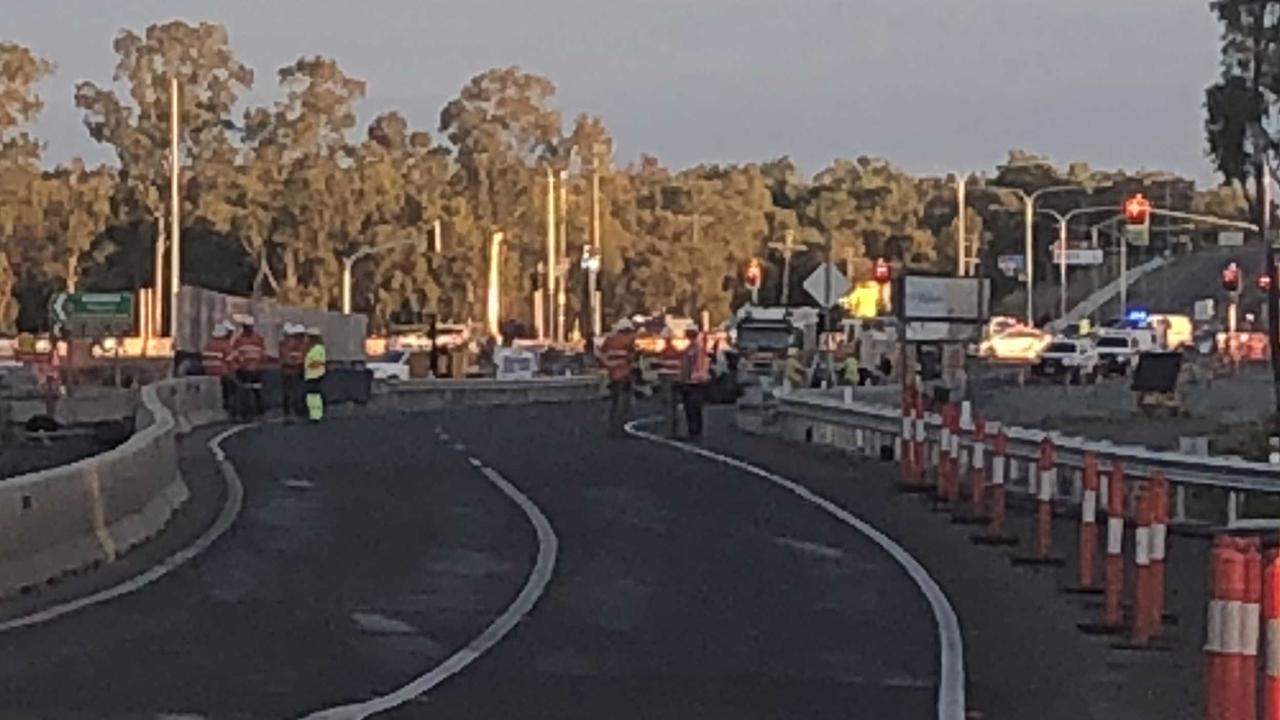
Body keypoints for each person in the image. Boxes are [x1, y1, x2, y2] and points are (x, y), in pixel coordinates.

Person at [597, 318, 637, 437]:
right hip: (624, 373)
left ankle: (612, 427)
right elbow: (632, 357)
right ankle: (621, 427)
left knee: (614, 402)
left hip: (612, 374)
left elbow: (600, 354)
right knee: (623, 402)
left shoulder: (609, 340)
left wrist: (607, 366)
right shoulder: (629, 340)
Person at [229, 314, 266, 420]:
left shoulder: (257, 339)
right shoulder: (239, 340)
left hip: (255, 370)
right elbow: (235, 355)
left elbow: (262, 354)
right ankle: (247, 413)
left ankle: (258, 412)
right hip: (245, 370)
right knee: (246, 392)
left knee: (256, 392)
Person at [678, 326, 712, 439]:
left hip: (695, 382)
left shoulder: (697, 349)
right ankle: (693, 430)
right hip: (691, 381)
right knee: (690, 407)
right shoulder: (691, 348)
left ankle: (695, 430)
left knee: (694, 407)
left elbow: (694, 365)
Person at [655, 327, 686, 436]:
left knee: (668, 403)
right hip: (677, 378)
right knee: (677, 403)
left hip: (667, 380)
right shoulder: (677, 351)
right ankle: (678, 429)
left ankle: (670, 429)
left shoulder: (664, 352)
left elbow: (661, 366)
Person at [202, 322, 235, 411]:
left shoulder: (209, 344)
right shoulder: (225, 345)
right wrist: (233, 373)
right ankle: (228, 404)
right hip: (221, 372)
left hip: (208, 371)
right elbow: (230, 361)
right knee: (231, 387)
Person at [278, 322, 308, 420]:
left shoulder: (301, 345)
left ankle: (294, 410)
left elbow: (301, 357)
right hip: (290, 371)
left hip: (296, 370)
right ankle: (290, 410)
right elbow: (286, 357)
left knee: (295, 392)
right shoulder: (286, 344)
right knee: (290, 392)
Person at [304, 326, 327, 422]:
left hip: (316, 374)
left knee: (314, 395)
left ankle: (316, 415)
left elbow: (320, 361)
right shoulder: (312, 348)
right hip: (310, 375)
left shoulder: (319, 348)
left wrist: (309, 364)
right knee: (311, 395)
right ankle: (313, 414)